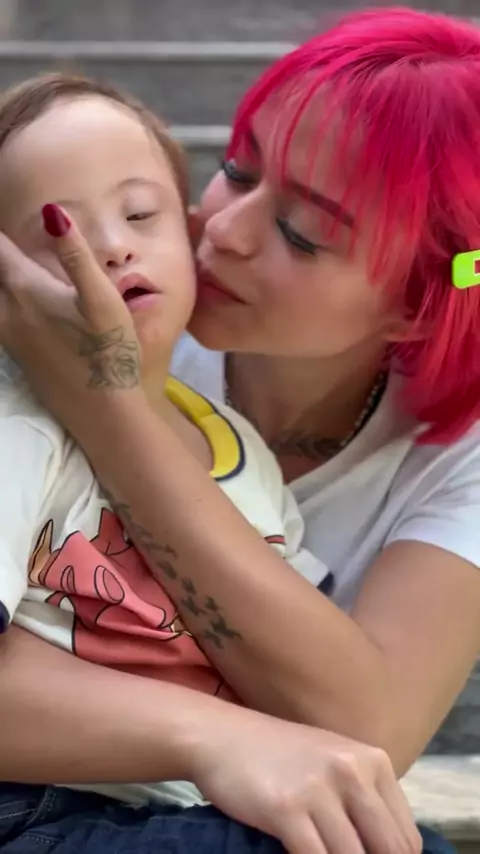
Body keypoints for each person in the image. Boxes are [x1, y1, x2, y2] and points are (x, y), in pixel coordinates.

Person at [0, 5, 478, 854]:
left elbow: (365, 729)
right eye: (236, 169)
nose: (220, 229)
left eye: (300, 233)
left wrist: (105, 401)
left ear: (414, 306)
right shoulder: (105, 308)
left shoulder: (455, 459)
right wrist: (212, 734)